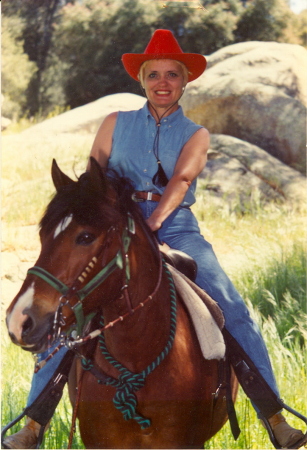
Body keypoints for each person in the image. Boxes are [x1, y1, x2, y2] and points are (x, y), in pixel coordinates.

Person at [3, 29, 306, 450]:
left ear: (185, 81)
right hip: (114, 225)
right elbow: (95, 180)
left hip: (176, 226)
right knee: (71, 307)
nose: (163, 82)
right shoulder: (115, 123)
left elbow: (181, 180)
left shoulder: (197, 134)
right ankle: (34, 423)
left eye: (172, 74)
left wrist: (154, 224)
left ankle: (274, 416)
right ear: (141, 80)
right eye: (154, 74)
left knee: (229, 303)